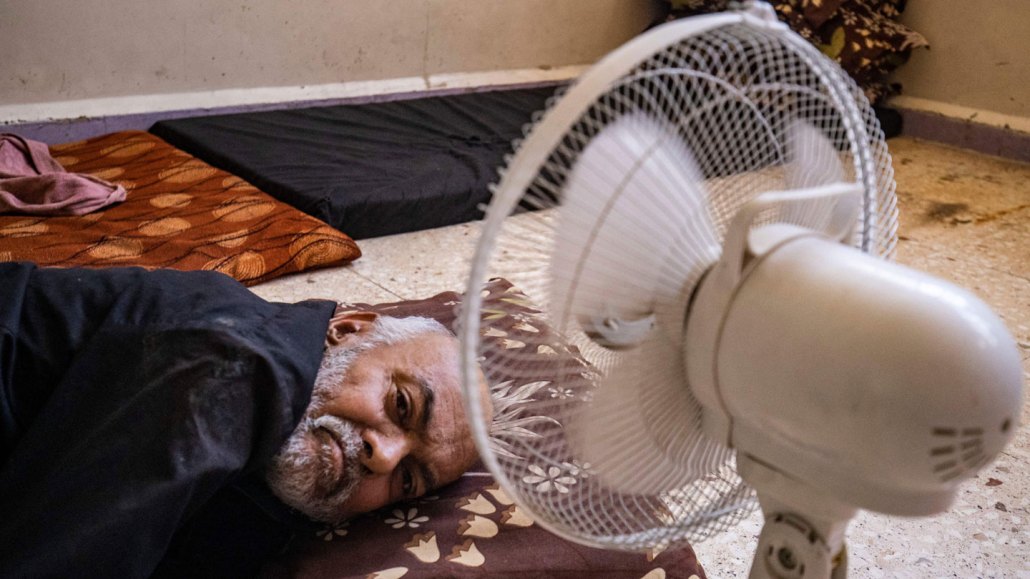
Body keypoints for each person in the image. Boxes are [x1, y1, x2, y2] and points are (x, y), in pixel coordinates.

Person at [0, 261, 490, 578]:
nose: (383, 457)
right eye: (400, 405)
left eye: (408, 479)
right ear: (346, 330)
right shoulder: (238, 363)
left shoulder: (283, 467)